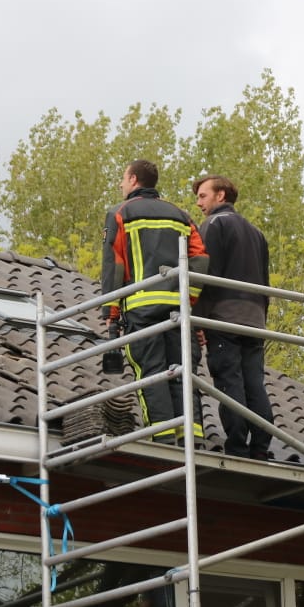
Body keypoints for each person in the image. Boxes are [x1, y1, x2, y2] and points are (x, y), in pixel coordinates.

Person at [101, 159, 208, 440]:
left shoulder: (120, 213)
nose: (120, 184)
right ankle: (192, 440)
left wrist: (111, 315)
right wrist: (189, 301)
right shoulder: (182, 216)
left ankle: (163, 438)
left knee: (152, 373)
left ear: (134, 180)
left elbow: (114, 265)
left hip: (140, 309)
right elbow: (200, 259)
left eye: (123, 178)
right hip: (178, 311)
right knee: (182, 372)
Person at [192, 174, 275, 460]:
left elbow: (207, 276)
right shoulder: (257, 233)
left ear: (221, 196)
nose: (198, 202)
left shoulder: (214, 224)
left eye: (203, 195)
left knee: (229, 382)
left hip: (225, 316)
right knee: (255, 382)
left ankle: (238, 447)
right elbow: (265, 282)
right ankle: (261, 446)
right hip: (255, 319)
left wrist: (198, 320)